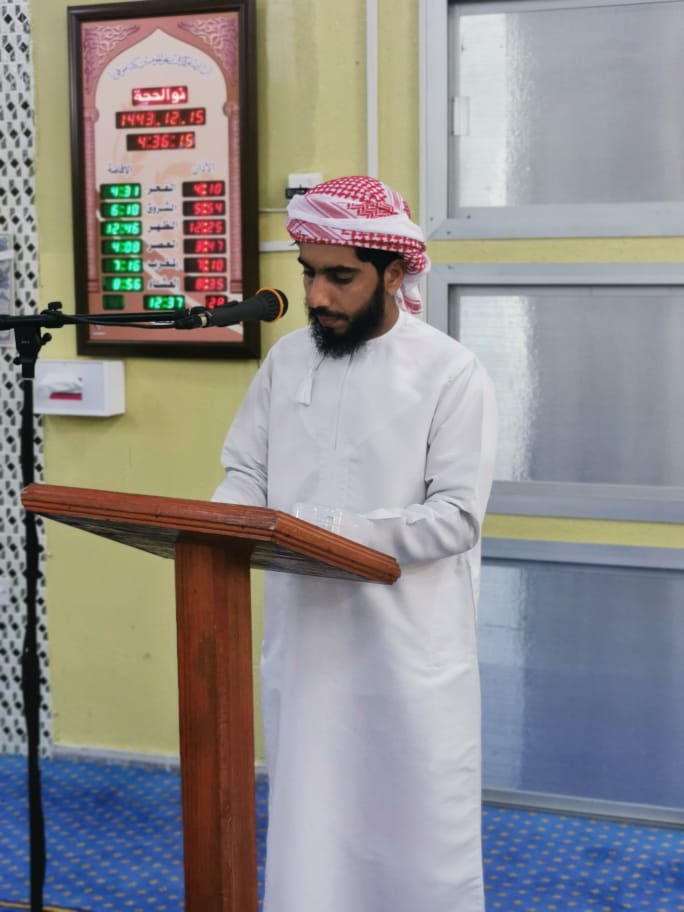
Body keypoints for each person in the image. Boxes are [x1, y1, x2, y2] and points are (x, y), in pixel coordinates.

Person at [212, 176, 497, 912]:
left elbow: (456, 517)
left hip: (406, 654)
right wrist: (218, 526)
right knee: (313, 834)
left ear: (394, 273)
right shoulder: (286, 362)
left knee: (415, 841)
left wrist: (321, 529)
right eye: (309, 274)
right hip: (307, 647)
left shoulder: (450, 372)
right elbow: (244, 473)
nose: (317, 296)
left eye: (341, 277)